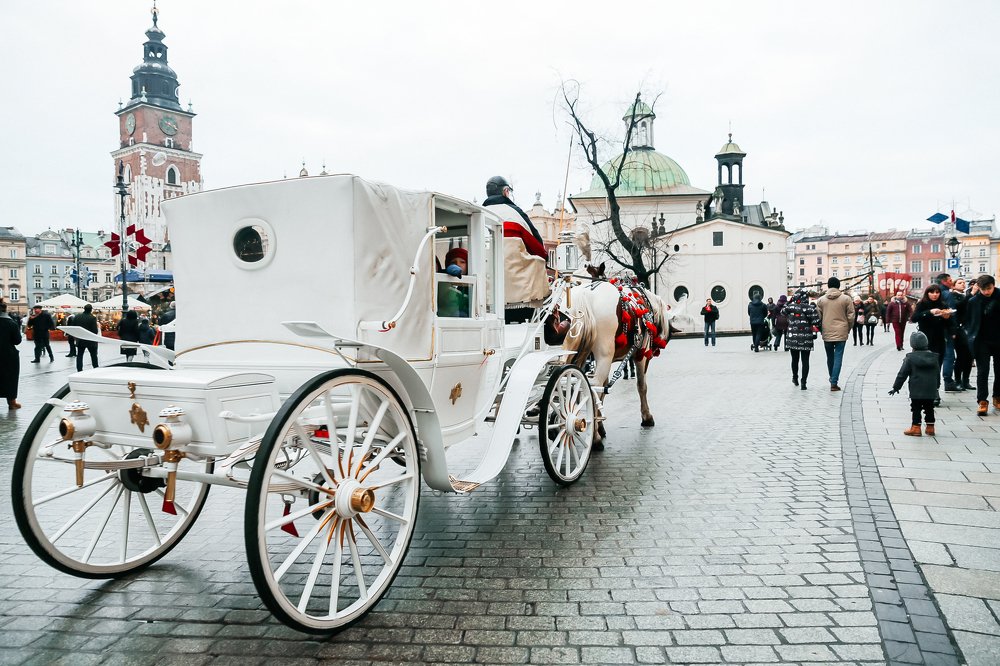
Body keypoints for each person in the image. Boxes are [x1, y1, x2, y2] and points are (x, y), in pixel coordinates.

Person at [482, 176, 547, 324]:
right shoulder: (515, 214)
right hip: (520, 297)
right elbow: (538, 248)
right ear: (505, 192)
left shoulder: (477, 213)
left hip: (484, 297)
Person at [889, 331, 941, 436]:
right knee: (929, 407)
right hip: (930, 389)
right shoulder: (933, 358)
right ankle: (930, 427)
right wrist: (937, 386)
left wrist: (896, 387)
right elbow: (937, 374)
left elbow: (902, 374)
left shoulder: (910, 358)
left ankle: (916, 427)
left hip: (916, 389)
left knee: (916, 408)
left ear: (913, 345)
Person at [911, 284, 953, 406]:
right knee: (923, 366)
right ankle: (923, 391)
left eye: (937, 292)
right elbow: (914, 318)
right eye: (932, 292)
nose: (934, 295)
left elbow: (949, 324)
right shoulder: (922, 304)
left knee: (936, 366)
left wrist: (947, 317)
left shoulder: (944, 305)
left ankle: (935, 392)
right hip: (924, 341)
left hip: (939, 340)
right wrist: (929, 312)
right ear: (927, 293)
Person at [964, 274, 1000, 416]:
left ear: (993, 285)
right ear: (978, 287)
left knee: (999, 371)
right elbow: (967, 319)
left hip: (999, 339)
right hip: (981, 341)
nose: (986, 292)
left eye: (989, 288)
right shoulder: (974, 301)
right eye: (983, 289)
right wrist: (970, 334)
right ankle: (982, 401)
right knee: (982, 372)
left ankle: (997, 397)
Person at [817, 277, 854, 391]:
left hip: (827, 330)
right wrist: (848, 327)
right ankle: (834, 382)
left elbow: (818, 317)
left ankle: (832, 378)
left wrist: (821, 328)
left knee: (830, 357)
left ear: (828, 286)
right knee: (838, 357)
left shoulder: (821, 300)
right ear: (839, 286)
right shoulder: (846, 299)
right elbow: (851, 316)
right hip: (841, 331)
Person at [783, 289, 820, 390]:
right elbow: (816, 321)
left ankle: (795, 378)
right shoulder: (810, 308)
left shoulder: (790, 307)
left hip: (792, 337)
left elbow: (783, 311)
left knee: (794, 359)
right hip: (806, 338)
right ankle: (804, 382)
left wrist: (790, 301)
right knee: (805, 361)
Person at [936, 273, 960, 391]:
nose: (952, 282)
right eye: (950, 280)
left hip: (934, 330)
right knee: (949, 355)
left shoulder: (932, 292)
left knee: (937, 356)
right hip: (946, 329)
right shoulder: (947, 294)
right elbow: (951, 313)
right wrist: (954, 330)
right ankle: (948, 381)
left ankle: (935, 385)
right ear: (944, 282)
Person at [951, 278, 973, 391]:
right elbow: (958, 306)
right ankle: (958, 380)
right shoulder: (953, 296)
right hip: (959, 330)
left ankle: (966, 380)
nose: (963, 284)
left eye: (964, 282)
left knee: (969, 356)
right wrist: (971, 295)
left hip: (969, 329)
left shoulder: (966, 296)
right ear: (954, 286)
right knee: (961, 356)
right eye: (960, 283)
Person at [1, 301, 22, 409]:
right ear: (5, 309)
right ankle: (12, 402)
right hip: (8, 355)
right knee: (10, 378)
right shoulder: (11, 323)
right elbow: (17, 340)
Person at [73, 303, 100, 372]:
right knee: (93, 355)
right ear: (91, 310)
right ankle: (95, 368)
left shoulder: (77, 317)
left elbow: (74, 327)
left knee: (79, 355)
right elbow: (95, 331)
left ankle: (79, 369)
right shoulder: (92, 318)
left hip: (80, 339)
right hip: (90, 339)